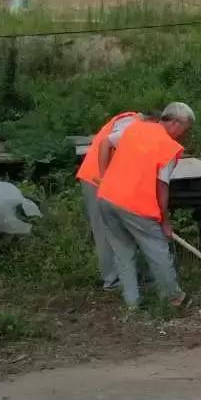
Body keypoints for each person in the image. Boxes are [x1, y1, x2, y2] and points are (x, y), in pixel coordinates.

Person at [96, 102, 195, 308]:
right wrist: (165, 222)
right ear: (175, 123)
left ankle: (132, 304)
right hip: (136, 205)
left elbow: (105, 142)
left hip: (107, 198)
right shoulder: (168, 147)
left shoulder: (136, 128)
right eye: (186, 129)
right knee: (157, 248)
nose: (185, 134)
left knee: (123, 252)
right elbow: (162, 188)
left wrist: (104, 179)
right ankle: (174, 298)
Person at [76, 109, 144, 290]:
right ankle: (112, 280)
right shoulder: (132, 124)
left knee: (120, 228)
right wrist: (105, 179)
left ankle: (129, 274)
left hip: (111, 180)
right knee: (105, 230)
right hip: (96, 180)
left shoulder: (137, 125)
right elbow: (106, 143)